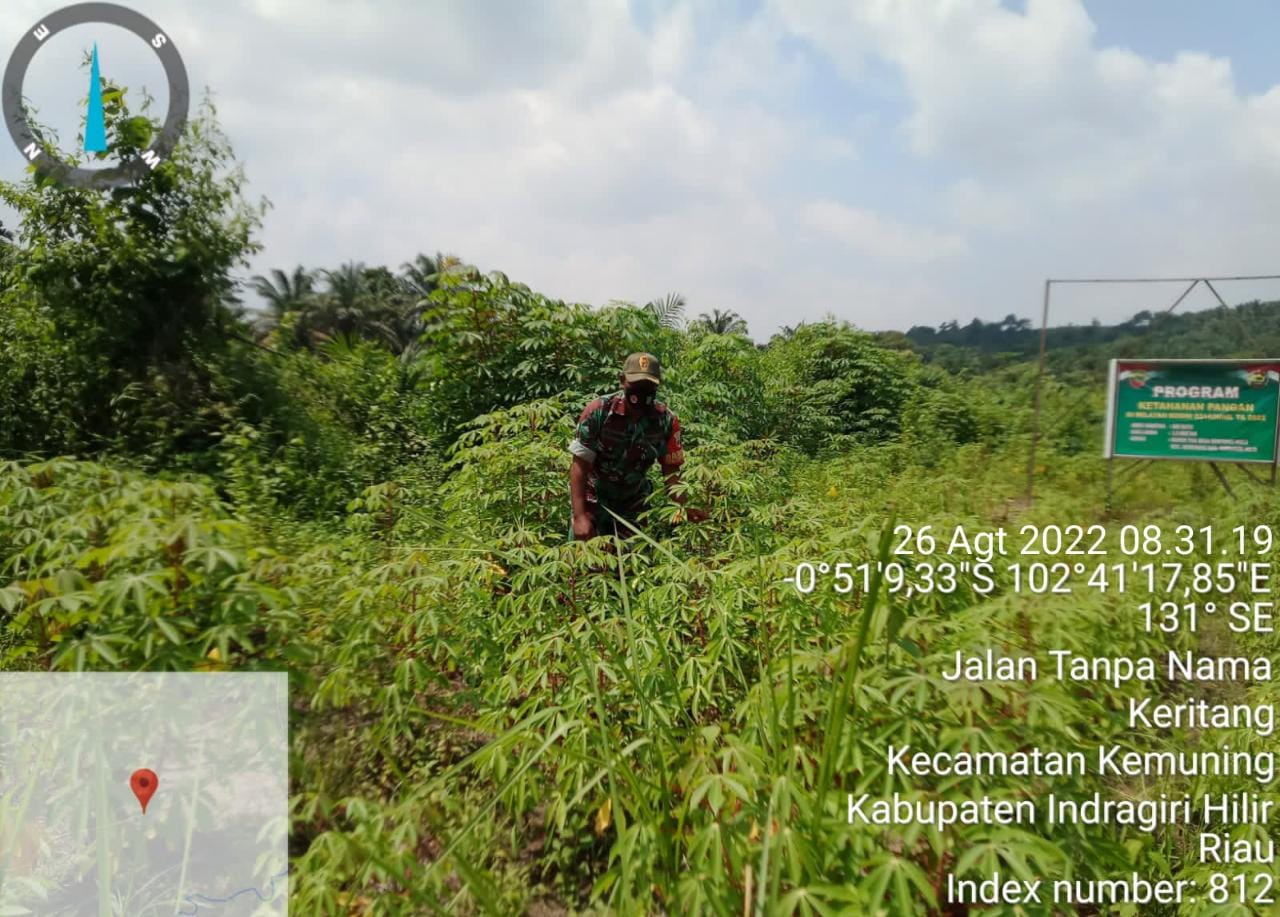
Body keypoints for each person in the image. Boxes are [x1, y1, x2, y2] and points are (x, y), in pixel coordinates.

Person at [569, 352, 707, 541]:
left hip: (633, 505)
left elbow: (671, 473)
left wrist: (686, 506)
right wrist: (579, 517)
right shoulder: (599, 411)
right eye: (635, 385)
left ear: (658, 384)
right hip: (593, 502)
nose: (641, 392)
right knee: (587, 566)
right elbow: (579, 466)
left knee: (631, 567)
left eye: (648, 386)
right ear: (622, 381)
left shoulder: (666, 421)